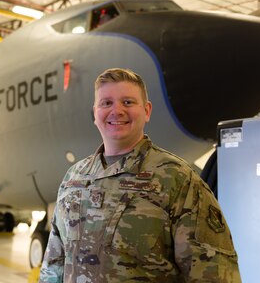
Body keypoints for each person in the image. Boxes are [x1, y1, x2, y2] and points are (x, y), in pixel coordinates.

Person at [39, 68, 240, 282]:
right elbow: (54, 263)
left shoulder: (177, 179)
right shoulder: (74, 178)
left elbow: (214, 274)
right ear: (95, 112)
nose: (116, 111)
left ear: (147, 111)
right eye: (106, 103)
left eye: (127, 102)